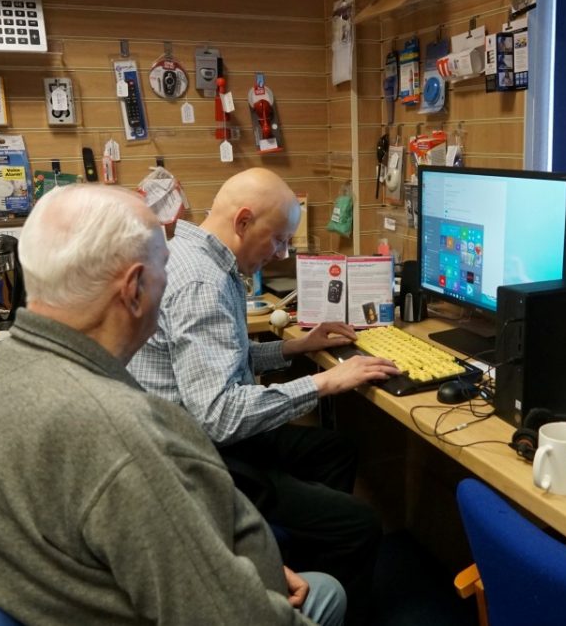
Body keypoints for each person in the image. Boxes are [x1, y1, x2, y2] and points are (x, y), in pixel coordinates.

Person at [0, 184, 345, 626]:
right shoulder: (119, 434)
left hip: (54, 592)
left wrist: (222, 567)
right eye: (164, 269)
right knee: (328, 595)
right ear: (135, 288)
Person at [129, 168, 399, 626]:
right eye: (278, 240)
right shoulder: (203, 282)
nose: (283, 253)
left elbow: (223, 358)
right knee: (359, 524)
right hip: (203, 457)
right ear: (244, 221)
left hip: (196, 433)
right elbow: (218, 414)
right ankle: (316, 610)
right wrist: (322, 382)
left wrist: (297, 346)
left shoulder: (199, 256)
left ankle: (293, 561)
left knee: (334, 451)